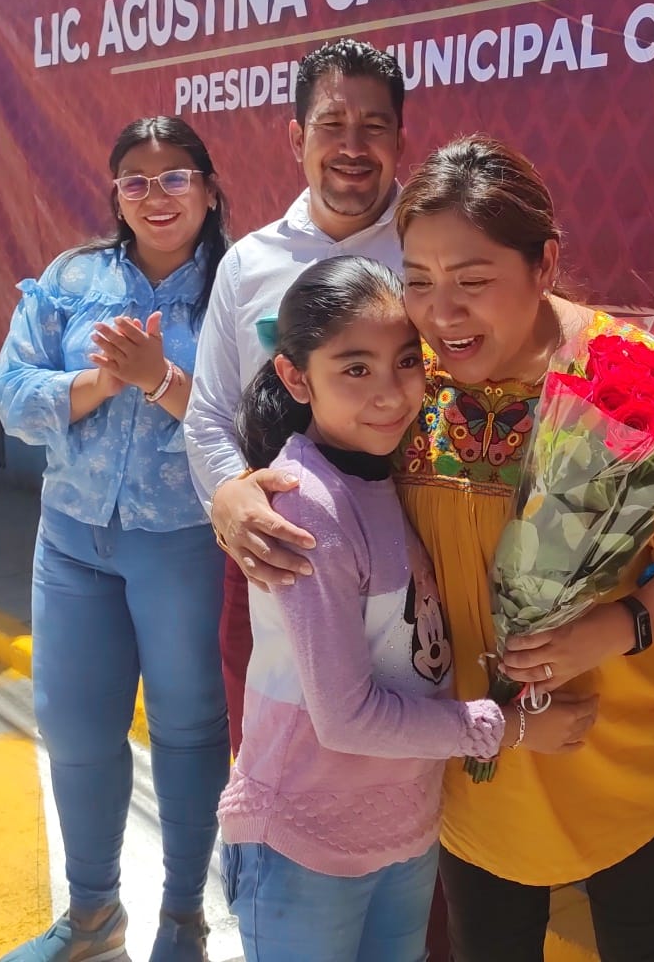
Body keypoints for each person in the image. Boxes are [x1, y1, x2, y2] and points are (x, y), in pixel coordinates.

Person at [218, 135, 654, 961]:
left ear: (545, 264)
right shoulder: (407, 378)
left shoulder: (634, 382)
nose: (442, 314)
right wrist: (233, 494)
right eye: (421, 282)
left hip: (629, 756)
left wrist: (620, 627)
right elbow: (302, 450)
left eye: (473, 283)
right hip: (474, 756)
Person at [216, 254, 598, 961]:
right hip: (309, 841)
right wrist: (509, 728)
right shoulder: (309, 507)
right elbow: (345, 717)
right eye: (354, 369)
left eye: (405, 363)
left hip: (403, 826)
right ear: (296, 377)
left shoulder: (396, 469)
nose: (392, 394)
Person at [0, 117, 231, 962]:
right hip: (71, 539)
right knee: (76, 726)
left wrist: (159, 379)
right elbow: (12, 395)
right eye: (136, 179)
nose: (156, 195)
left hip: (185, 542)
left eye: (175, 178)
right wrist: (99, 381)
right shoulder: (71, 279)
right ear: (115, 195)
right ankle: (93, 915)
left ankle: (183, 918)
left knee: (190, 726)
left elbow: (257, 424)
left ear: (208, 188)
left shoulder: (236, 288)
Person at [187, 38, 408, 763]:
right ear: (295, 137)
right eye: (331, 125)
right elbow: (212, 411)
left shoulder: (432, 250)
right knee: (274, 765)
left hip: (417, 553)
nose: (352, 147)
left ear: (400, 139)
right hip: (277, 555)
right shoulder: (250, 263)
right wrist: (228, 497)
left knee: (413, 753)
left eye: (373, 127)